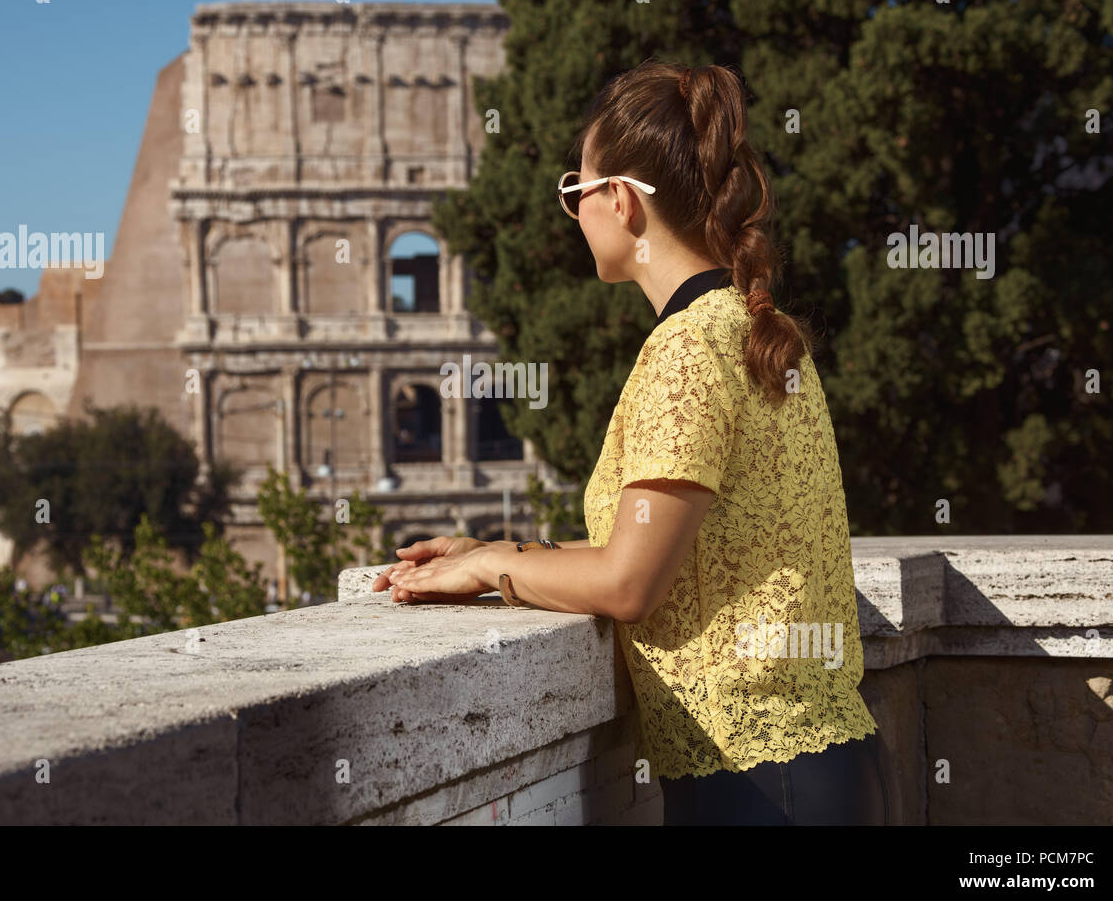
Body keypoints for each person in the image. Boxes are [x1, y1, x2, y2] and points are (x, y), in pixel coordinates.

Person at [371, 59, 887, 826]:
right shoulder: (754, 334)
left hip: (756, 788)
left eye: (572, 191)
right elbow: (680, 550)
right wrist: (507, 550)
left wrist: (496, 567)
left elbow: (629, 585)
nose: (573, 211)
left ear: (620, 201)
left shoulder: (687, 351)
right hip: (821, 766)